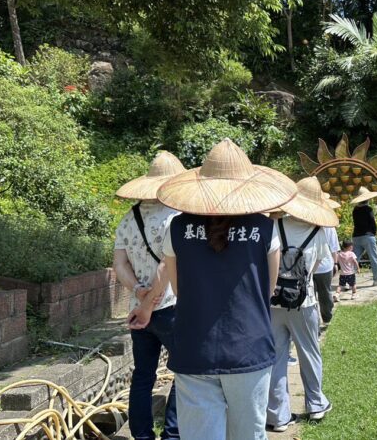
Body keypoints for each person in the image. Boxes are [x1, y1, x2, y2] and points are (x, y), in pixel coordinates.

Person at [129, 139, 298, 440]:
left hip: (194, 349)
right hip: (250, 348)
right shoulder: (266, 228)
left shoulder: (178, 228)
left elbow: (179, 290)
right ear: (246, 186)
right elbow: (267, 289)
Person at [112, 151, 185, 440]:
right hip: (170, 306)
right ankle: (172, 434)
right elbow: (166, 267)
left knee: (143, 375)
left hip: (138, 311)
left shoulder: (128, 219)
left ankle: (142, 435)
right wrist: (150, 300)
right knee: (185, 371)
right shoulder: (177, 219)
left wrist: (138, 292)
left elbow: (119, 264)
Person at [267, 177, 337, 432]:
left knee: (276, 356)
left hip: (273, 302)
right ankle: (316, 404)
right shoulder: (319, 233)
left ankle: (277, 416)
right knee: (309, 352)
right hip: (303, 303)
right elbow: (316, 269)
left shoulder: (274, 225)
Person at [313, 193, 341, 324]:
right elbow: (334, 247)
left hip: (307, 266)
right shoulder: (329, 224)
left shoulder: (304, 222)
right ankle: (327, 318)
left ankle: (314, 320)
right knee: (325, 293)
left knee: (310, 296)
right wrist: (335, 263)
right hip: (325, 266)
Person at [350, 186, 377, 286]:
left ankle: (348, 280)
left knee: (354, 259)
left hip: (356, 236)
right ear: (367, 199)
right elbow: (372, 223)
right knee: (373, 258)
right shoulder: (368, 209)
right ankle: (376, 280)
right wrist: (373, 233)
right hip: (368, 236)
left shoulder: (355, 210)